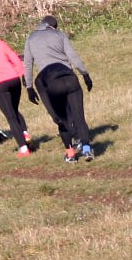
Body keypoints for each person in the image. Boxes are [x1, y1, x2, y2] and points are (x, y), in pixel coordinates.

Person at [23, 15, 94, 162]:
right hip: (69, 77)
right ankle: (87, 149)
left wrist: (29, 87)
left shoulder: (31, 38)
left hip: (50, 81)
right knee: (79, 117)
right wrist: (84, 74)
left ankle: (71, 154)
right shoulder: (59, 34)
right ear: (53, 27)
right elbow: (72, 55)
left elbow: (28, 64)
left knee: (61, 119)